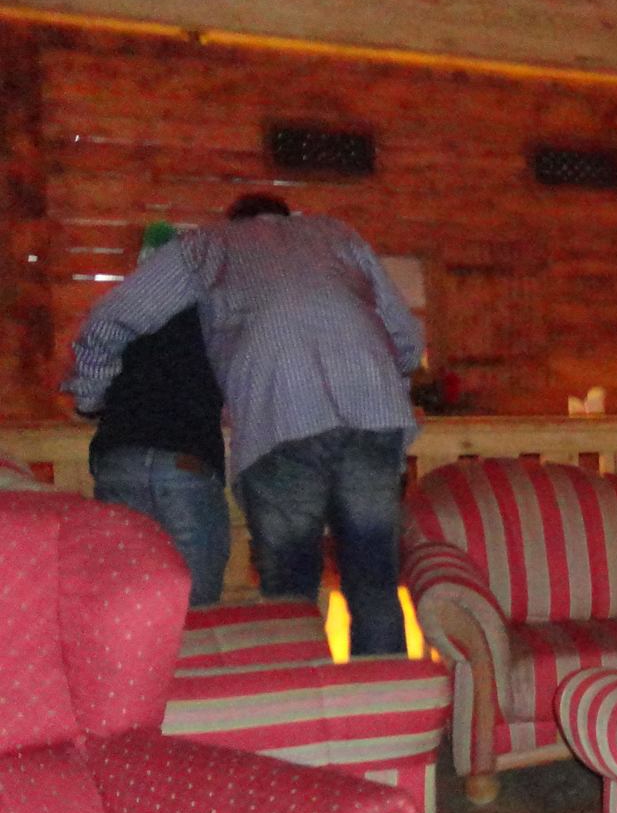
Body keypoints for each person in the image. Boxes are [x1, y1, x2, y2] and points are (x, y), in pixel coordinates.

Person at [65, 194, 424, 657]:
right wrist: (395, 383)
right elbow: (405, 337)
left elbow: (113, 317)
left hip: (281, 417)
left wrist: (91, 395)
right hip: (373, 412)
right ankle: (388, 700)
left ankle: (300, 697)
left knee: (291, 592)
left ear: (233, 220)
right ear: (287, 216)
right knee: (374, 579)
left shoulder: (208, 245)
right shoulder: (337, 235)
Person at [78, 221, 230, 607]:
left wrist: (89, 404)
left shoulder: (123, 314)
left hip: (117, 458)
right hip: (185, 461)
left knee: (125, 602)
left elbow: (94, 381)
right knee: (195, 610)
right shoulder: (215, 317)